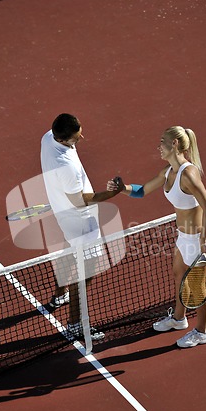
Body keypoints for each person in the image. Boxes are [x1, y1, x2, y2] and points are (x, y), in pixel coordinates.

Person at [107, 126, 206, 348]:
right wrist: (121, 188)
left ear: (174, 144)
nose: (159, 146)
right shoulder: (168, 172)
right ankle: (178, 319)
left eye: (162, 142)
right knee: (178, 275)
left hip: (198, 241)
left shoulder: (189, 174)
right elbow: (142, 190)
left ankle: (202, 331)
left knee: (197, 288)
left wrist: (204, 241)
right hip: (183, 236)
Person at [41, 113, 123, 340]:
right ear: (63, 140)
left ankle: (58, 296)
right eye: (76, 138)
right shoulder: (66, 166)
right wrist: (111, 193)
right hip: (81, 221)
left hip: (63, 214)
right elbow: (80, 200)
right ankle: (75, 324)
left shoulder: (47, 138)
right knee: (86, 273)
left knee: (68, 255)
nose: (81, 138)